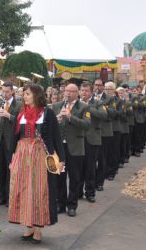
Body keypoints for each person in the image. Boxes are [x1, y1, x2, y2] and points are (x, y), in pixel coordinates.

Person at [9, 84, 65, 244]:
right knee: (24, 190)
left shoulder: (47, 114)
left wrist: (61, 159)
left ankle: (38, 228)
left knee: (39, 190)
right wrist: (12, 159)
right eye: (23, 94)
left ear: (36, 95)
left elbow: (56, 137)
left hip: (40, 155)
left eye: (27, 94)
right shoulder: (20, 114)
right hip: (22, 154)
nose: (24, 96)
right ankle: (29, 226)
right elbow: (14, 139)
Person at [51, 83, 90, 217]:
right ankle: (60, 204)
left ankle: (72, 205)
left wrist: (70, 116)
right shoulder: (56, 106)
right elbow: (49, 125)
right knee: (59, 176)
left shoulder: (84, 107)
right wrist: (55, 120)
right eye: (66, 91)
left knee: (74, 177)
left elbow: (86, 125)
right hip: (60, 148)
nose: (67, 93)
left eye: (71, 91)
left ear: (77, 93)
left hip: (75, 148)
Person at [0, 81, 21, 206]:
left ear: (12, 91)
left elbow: (21, 122)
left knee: (11, 171)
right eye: (3, 91)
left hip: (11, 142)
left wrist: (9, 116)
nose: (5, 94)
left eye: (7, 91)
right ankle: (2, 195)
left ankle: (11, 197)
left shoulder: (19, 105)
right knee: (0, 170)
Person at [78, 82, 107, 203]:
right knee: (78, 168)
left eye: (86, 91)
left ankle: (90, 192)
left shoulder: (98, 103)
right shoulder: (75, 103)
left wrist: (87, 106)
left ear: (91, 92)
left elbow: (104, 115)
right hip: (77, 139)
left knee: (90, 167)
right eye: (82, 90)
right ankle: (77, 191)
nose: (84, 93)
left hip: (92, 139)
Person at [93, 78, 115, 192]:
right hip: (91, 132)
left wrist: (102, 107)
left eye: (100, 85)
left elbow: (112, 113)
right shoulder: (89, 97)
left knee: (101, 158)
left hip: (104, 132)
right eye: (96, 85)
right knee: (91, 160)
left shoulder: (109, 98)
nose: (97, 87)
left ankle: (99, 183)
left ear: (103, 86)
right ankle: (91, 182)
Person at [104, 82, 122, 181]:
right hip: (105, 129)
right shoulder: (101, 100)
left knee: (113, 151)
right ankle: (105, 171)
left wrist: (107, 109)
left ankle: (112, 171)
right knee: (105, 152)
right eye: (106, 88)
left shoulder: (118, 101)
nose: (107, 90)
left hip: (114, 128)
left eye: (110, 88)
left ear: (114, 90)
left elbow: (118, 114)